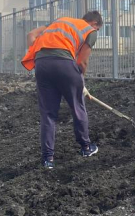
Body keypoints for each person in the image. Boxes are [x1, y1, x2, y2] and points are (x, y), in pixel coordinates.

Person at [21, 11, 103, 169]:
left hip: (42, 64)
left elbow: (31, 34)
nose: (96, 32)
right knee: (77, 107)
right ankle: (86, 147)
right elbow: (82, 62)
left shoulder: (60, 21)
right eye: (97, 29)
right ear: (94, 24)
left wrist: (41, 54)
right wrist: (81, 83)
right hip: (64, 64)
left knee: (48, 114)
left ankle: (48, 159)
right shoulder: (89, 31)